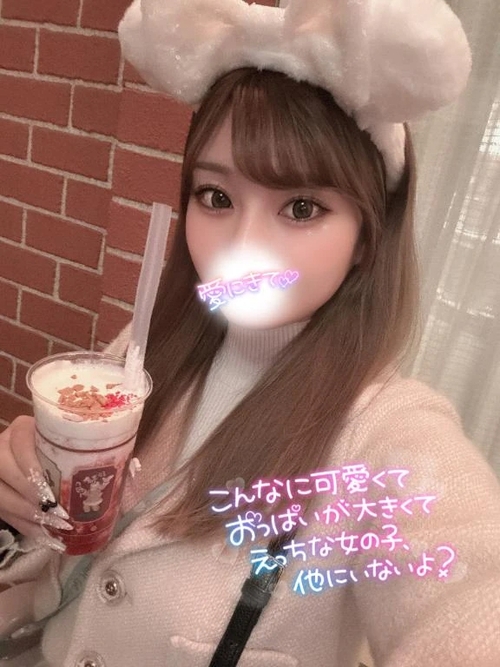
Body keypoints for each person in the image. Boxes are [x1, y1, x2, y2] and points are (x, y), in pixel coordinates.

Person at [1, 1, 500, 666]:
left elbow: (468, 592)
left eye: (301, 207)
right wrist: (24, 501)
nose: (243, 246)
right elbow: (63, 566)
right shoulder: (142, 353)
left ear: (366, 238)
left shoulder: (389, 439)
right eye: (217, 197)